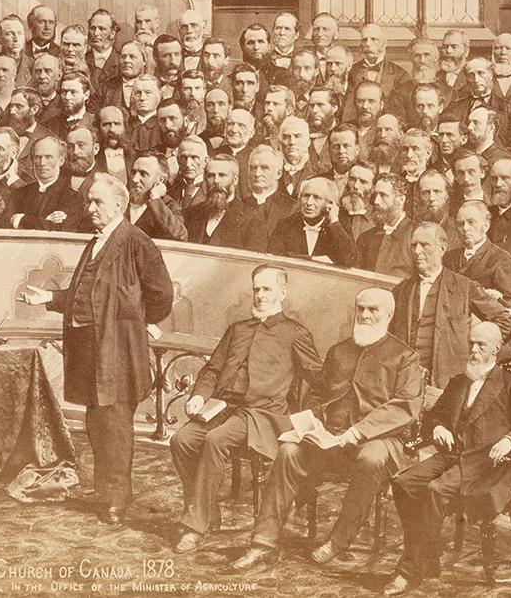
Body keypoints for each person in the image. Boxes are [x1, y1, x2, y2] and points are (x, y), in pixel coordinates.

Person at [233, 287, 424, 569]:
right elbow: (317, 394)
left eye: (373, 310)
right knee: (288, 451)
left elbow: (406, 406)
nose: (365, 315)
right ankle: (263, 541)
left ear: (389, 315)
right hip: (329, 439)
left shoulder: (405, 357)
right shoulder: (339, 351)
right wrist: (310, 422)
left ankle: (338, 541)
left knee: (371, 458)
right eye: (361, 309)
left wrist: (358, 432)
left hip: (378, 440)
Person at [20, 174, 173, 525]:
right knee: (96, 420)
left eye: (98, 202)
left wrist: (133, 322)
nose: (90, 209)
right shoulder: (97, 242)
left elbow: (162, 293)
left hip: (117, 349)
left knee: (115, 423)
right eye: (89, 201)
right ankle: (104, 489)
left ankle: (118, 498)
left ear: (119, 205)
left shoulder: (136, 241)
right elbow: (86, 292)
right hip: (91, 347)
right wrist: (50, 298)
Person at [166, 264, 322, 554]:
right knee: (181, 441)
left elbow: (319, 379)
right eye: (256, 289)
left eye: (267, 289)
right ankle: (208, 511)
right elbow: (212, 370)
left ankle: (194, 527)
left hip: (261, 413)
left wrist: (307, 416)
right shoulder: (238, 329)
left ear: (283, 293)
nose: (260, 295)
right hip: (222, 408)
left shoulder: (294, 333)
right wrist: (199, 395)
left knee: (215, 439)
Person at [387, 321, 511, 593]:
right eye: (471, 343)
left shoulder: (510, 384)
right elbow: (434, 415)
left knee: (434, 490)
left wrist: (508, 441)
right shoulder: (459, 382)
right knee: (403, 483)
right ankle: (428, 553)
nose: (474, 349)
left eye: (481, 345)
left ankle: (410, 569)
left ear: (495, 349)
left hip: (487, 464)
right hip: (453, 456)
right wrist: (438, 427)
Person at [390, 221, 511, 383]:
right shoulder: (401, 290)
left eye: (424, 245)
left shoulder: (465, 287)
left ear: (442, 248)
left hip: (446, 381)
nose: (417, 251)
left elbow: (503, 319)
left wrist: (479, 351)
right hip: (404, 379)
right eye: (414, 245)